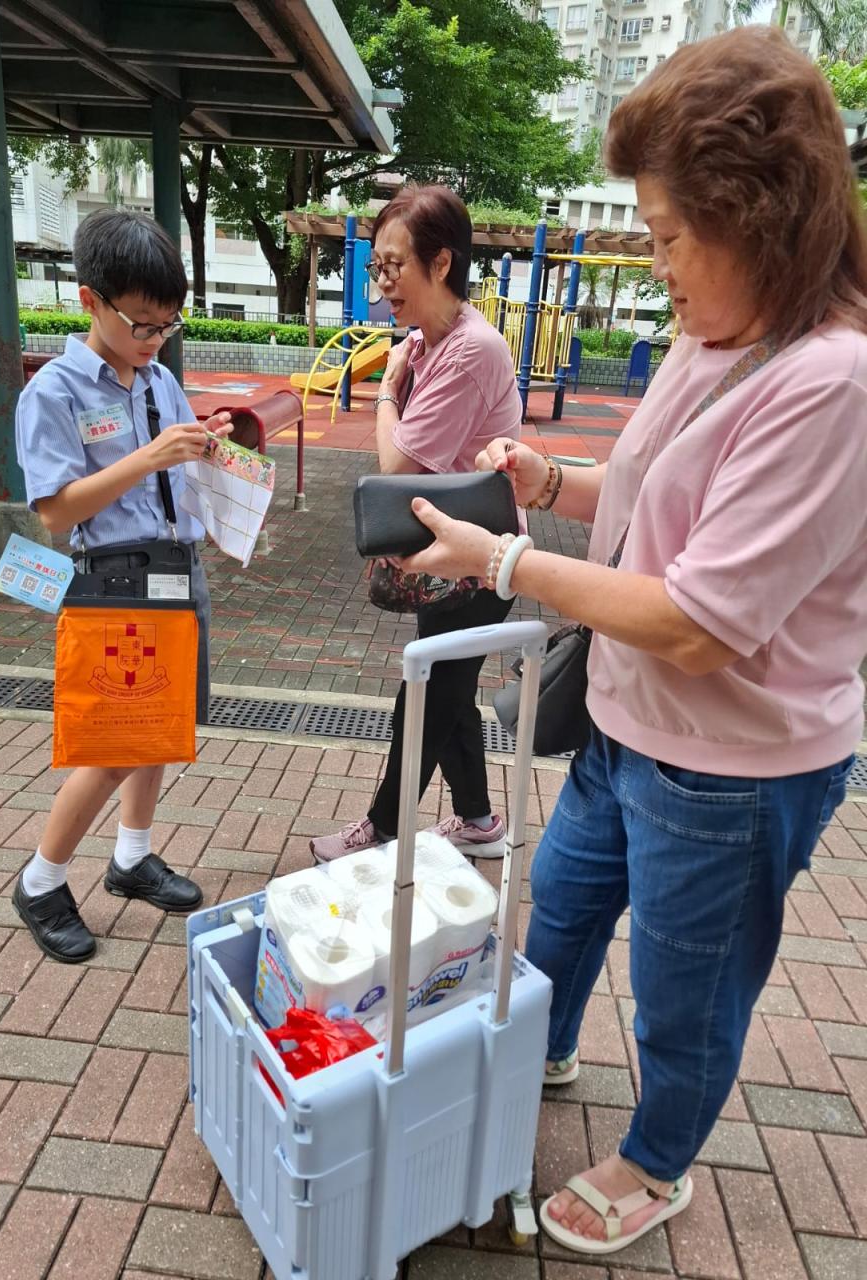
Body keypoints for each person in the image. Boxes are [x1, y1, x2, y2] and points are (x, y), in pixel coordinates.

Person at [394, 27, 867, 1256]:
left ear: (759, 217)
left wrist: (501, 560)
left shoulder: (831, 381)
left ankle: (659, 1159)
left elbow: (701, 621)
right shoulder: (719, 337)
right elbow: (662, 498)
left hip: (730, 765)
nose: (658, 266)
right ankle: (534, 1052)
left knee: (685, 990)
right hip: (627, 724)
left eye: (667, 237)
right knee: (558, 911)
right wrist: (551, 481)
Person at [13, 208, 232, 964]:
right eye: (142, 323)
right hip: (112, 583)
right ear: (90, 301)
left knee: (162, 726)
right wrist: (149, 457)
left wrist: (205, 446)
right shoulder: (55, 392)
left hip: (176, 570)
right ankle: (41, 881)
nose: (154, 339)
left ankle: (132, 857)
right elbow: (55, 512)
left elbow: (176, 466)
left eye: (168, 325)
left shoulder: (161, 379)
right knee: (112, 745)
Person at [310, 185, 524, 863]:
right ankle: (480, 821)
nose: (383, 281)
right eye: (378, 266)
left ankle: (382, 828)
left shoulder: (469, 351)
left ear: (441, 263)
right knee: (448, 690)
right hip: (452, 554)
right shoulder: (433, 343)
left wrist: (384, 391)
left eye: (394, 264)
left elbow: (398, 464)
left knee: (426, 690)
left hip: (480, 559)